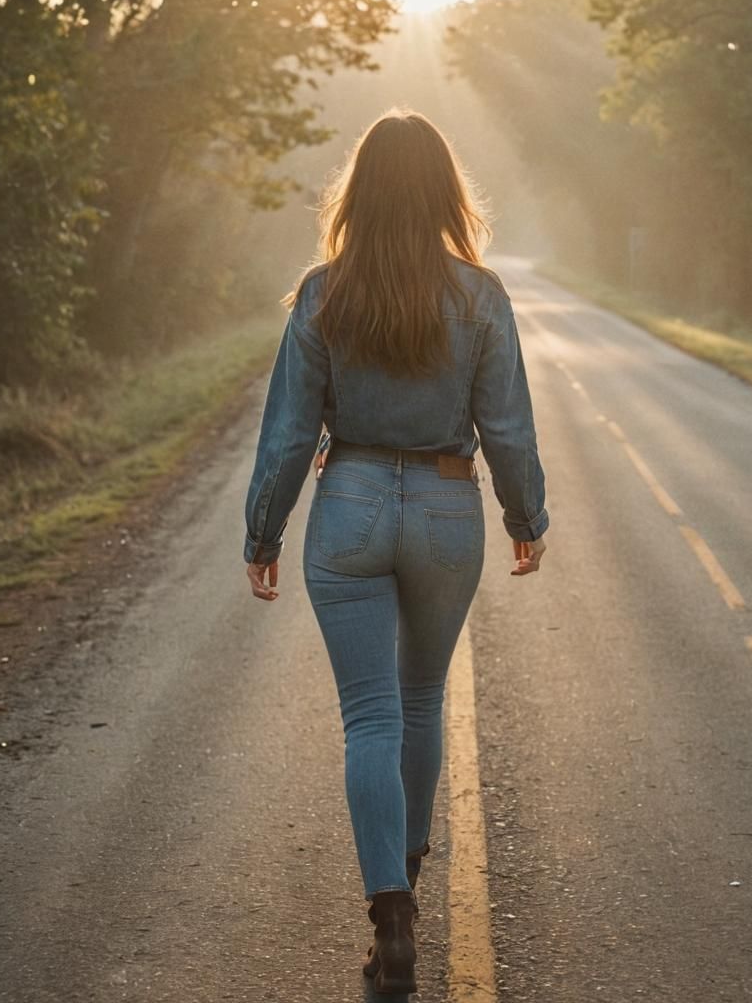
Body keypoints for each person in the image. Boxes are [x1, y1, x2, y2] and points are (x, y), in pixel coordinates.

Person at [242, 107, 548, 995]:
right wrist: (526, 517)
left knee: (369, 717)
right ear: (446, 190)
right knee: (420, 703)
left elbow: (291, 434)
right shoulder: (481, 295)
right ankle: (407, 892)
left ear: (359, 192)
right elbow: (510, 429)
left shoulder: (321, 291)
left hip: (352, 506)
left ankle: (392, 920)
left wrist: (263, 531)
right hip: (450, 506)